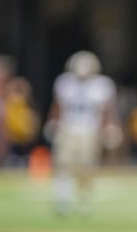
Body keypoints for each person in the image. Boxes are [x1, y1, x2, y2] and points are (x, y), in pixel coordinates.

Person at [46, 50, 119, 215]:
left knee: (87, 168)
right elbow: (57, 106)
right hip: (68, 128)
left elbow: (108, 110)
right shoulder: (65, 83)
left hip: (90, 130)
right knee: (63, 164)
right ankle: (62, 199)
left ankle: (84, 200)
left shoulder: (102, 85)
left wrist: (109, 127)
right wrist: (53, 122)